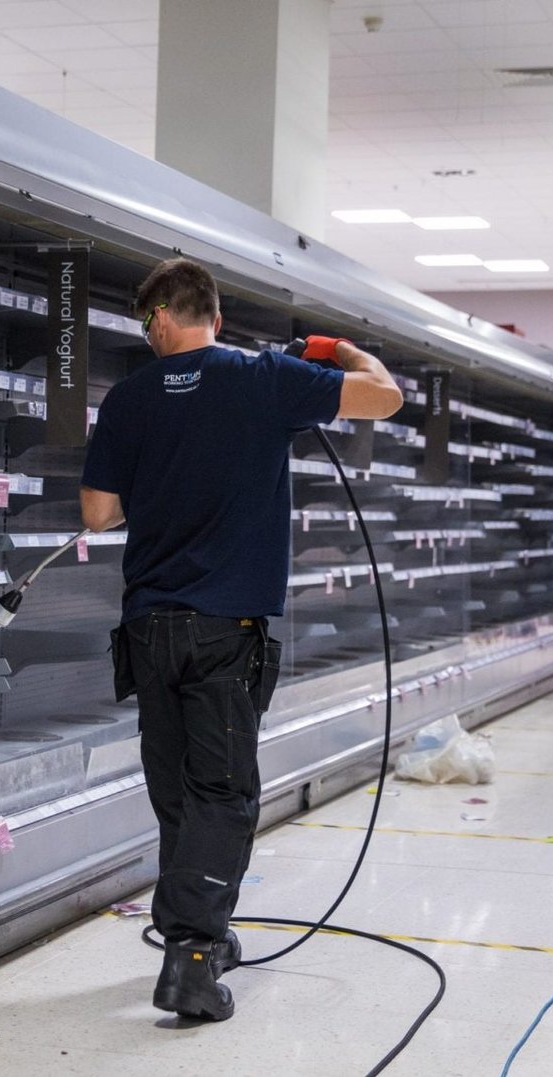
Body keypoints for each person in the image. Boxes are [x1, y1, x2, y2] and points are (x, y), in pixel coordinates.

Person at [79, 257, 404, 1021]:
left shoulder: (127, 399)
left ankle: (195, 933)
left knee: (178, 795)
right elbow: (384, 398)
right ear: (214, 317)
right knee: (222, 795)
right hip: (227, 633)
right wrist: (339, 352)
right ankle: (191, 959)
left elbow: (97, 516)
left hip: (150, 630)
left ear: (160, 318)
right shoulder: (264, 379)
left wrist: (165, 479)